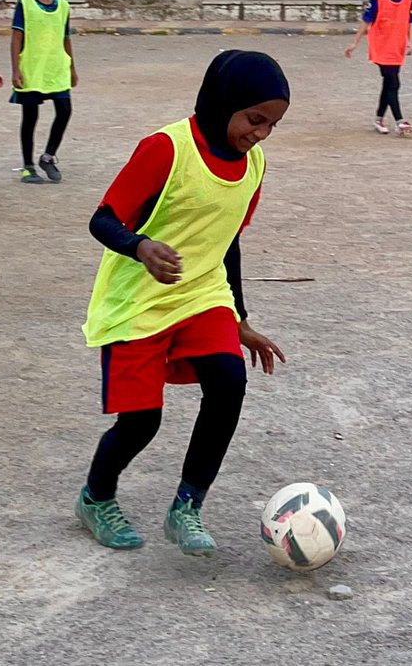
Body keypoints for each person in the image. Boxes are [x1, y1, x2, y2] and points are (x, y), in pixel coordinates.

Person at [75, 50, 289, 556]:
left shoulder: (253, 166)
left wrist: (239, 318)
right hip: (138, 302)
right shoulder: (165, 149)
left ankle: (187, 506)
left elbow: (227, 240)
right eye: (254, 119)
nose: (260, 133)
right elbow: (102, 219)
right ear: (223, 101)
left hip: (202, 294)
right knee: (141, 422)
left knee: (230, 381)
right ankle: (95, 497)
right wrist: (141, 246)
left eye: (272, 125)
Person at [11, 0, 76, 183]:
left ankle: (48, 156)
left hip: (57, 68)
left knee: (65, 110)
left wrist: (72, 67)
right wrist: (16, 69)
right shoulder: (24, 3)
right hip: (32, 68)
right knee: (30, 117)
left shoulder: (63, 5)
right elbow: (16, 38)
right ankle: (28, 166)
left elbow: (66, 38)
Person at [344, 0, 412, 134]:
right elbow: (366, 20)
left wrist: (410, 42)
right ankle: (400, 121)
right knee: (393, 82)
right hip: (382, 46)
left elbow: (410, 21)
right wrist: (355, 43)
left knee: (390, 83)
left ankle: (379, 119)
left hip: (398, 46)